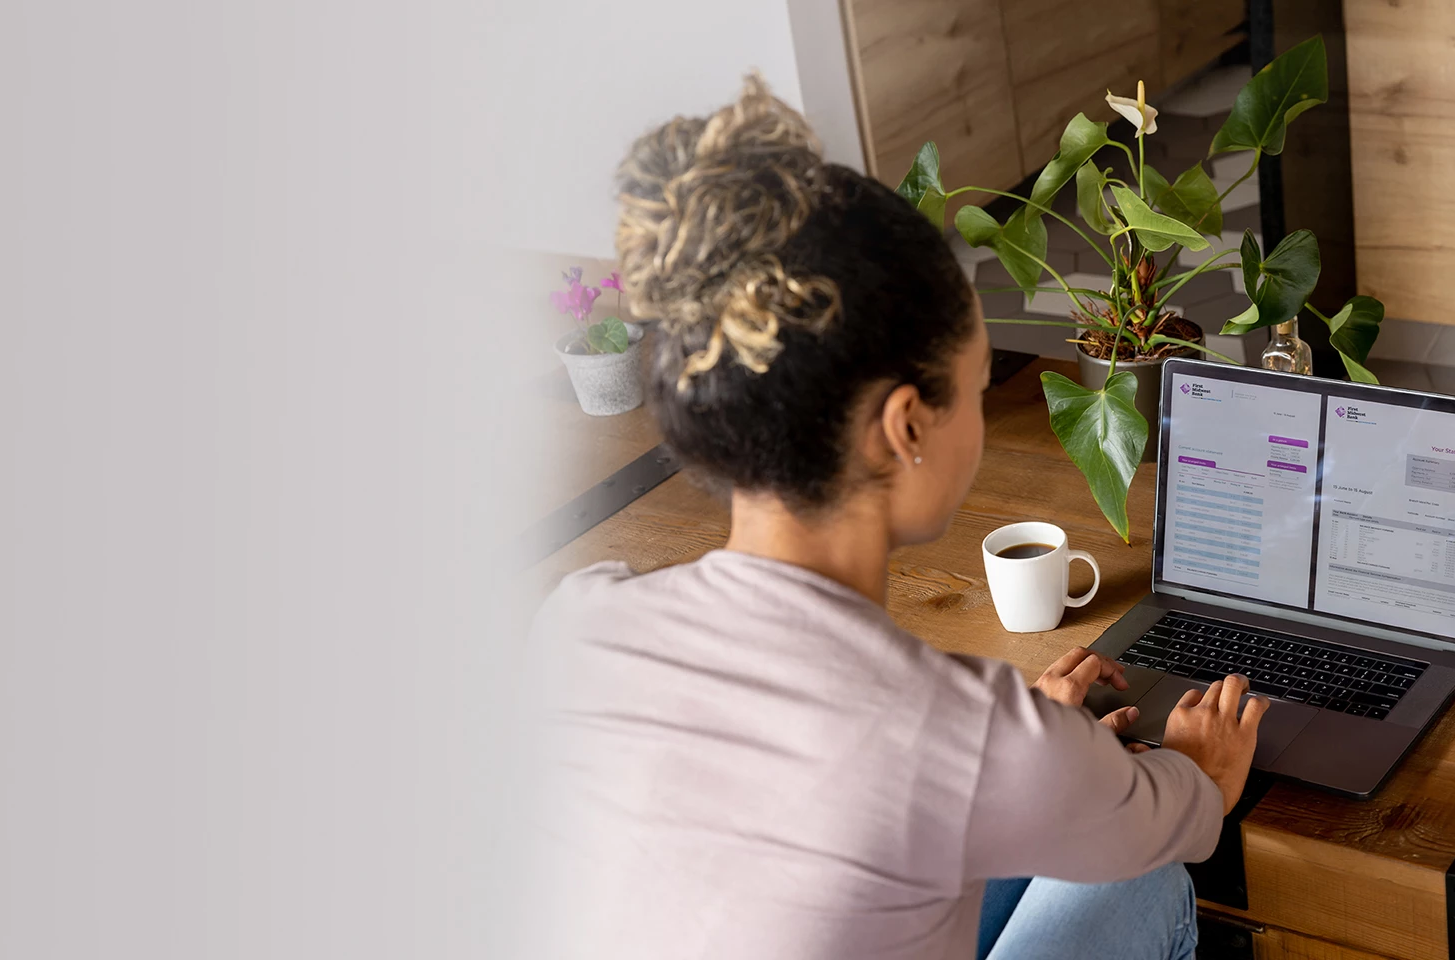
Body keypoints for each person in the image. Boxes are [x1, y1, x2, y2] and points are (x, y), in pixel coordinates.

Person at [531, 76, 1268, 960]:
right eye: (978, 381)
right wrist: (1197, 770)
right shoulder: (958, 733)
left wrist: (1012, 753)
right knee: (1142, 873)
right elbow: (1175, 817)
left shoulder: (578, 622)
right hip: (1032, 775)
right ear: (907, 425)